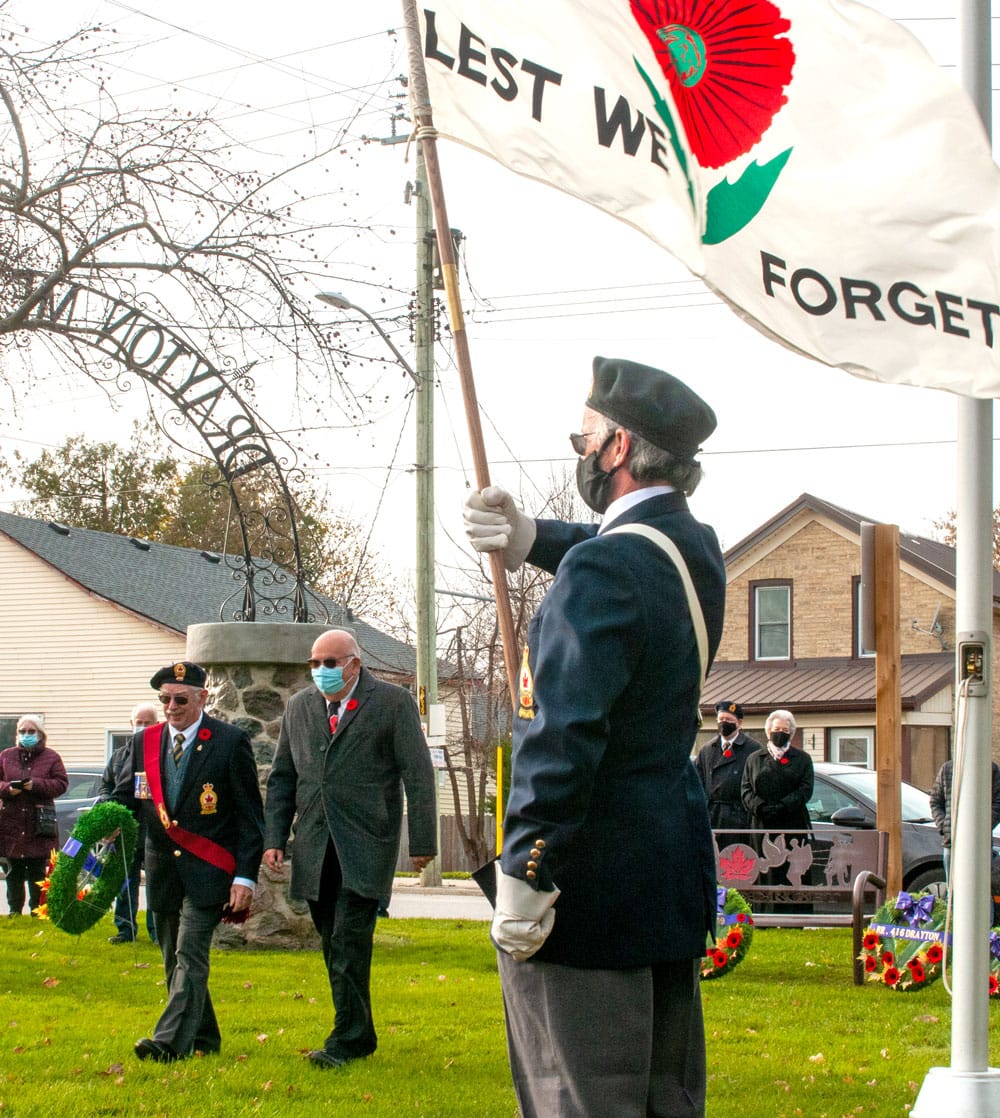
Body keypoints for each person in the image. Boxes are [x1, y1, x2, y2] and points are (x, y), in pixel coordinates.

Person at [463, 356, 725, 1117]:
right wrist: (531, 535)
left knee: (579, 1096)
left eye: (584, 439)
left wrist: (528, 865)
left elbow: (563, 736)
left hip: (585, 883)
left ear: (615, 448)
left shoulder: (603, 570)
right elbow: (622, 549)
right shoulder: (694, 549)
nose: (578, 452)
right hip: (664, 875)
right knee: (664, 1099)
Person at [263, 628, 437, 1070]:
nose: (321, 671)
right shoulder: (300, 708)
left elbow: (417, 775)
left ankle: (347, 1037)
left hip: (366, 843)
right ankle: (359, 1031)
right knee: (332, 943)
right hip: (316, 844)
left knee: (349, 939)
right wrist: (274, 839)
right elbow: (284, 777)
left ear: (355, 664)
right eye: (315, 663)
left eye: (330, 662)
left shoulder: (392, 704)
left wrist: (422, 843)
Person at [113, 661, 264, 1062]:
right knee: (170, 956)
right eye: (164, 699)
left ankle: (167, 1043)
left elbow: (250, 818)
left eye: (180, 699)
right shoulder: (145, 742)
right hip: (162, 867)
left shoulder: (229, 742)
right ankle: (204, 1038)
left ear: (202, 697)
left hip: (209, 868)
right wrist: (104, 823)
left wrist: (245, 878)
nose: (171, 707)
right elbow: (126, 797)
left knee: (190, 951)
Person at [740, 709, 814, 909]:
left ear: (791, 732)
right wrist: (761, 807)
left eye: (784, 729)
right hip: (761, 824)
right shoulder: (754, 759)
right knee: (765, 870)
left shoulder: (803, 759)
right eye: (776, 729)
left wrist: (783, 806)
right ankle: (764, 914)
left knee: (792, 870)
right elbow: (746, 789)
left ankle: (795, 914)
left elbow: (805, 790)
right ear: (768, 731)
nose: (780, 732)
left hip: (792, 824)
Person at [100, 701, 159, 944]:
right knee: (125, 880)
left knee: (156, 883)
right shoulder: (119, 756)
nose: (142, 727)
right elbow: (106, 785)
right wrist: (109, 807)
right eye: (139, 723)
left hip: (154, 828)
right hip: (125, 830)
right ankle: (125, 930)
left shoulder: (160, 753)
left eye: (148, 723)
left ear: (157, 725)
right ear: (131, 724)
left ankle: (157, 932)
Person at [0, 716, 68, 916]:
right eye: (22, 731)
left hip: (39, 822)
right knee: (14, 870)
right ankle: (14, 910)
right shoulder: (6, 756)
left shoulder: (51, 757)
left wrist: (36, 785)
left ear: (40, 734)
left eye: (31, 731)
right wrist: (7, 789)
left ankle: (37, 910)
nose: (26, 735)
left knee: (37, 870)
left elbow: (61, 784)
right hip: (11, 821)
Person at [929, 757, 1000, 915]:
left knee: (982, 891)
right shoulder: (947, 769)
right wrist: (946, 827)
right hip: (952, 842)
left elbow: (997, 803)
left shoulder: (991, 769)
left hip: (979, 844)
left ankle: (986, 935)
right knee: (953, 891)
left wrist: (980, 828)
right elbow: (935, 801)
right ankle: (953, 932)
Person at [694, 700, 762, 842]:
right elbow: (697, 781)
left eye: (729, 720)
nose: (724, 723)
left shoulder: (753, 749)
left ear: (739, 723)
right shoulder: (707, 749)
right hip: (711, 815)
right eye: (721, 719)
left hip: (738, 817)